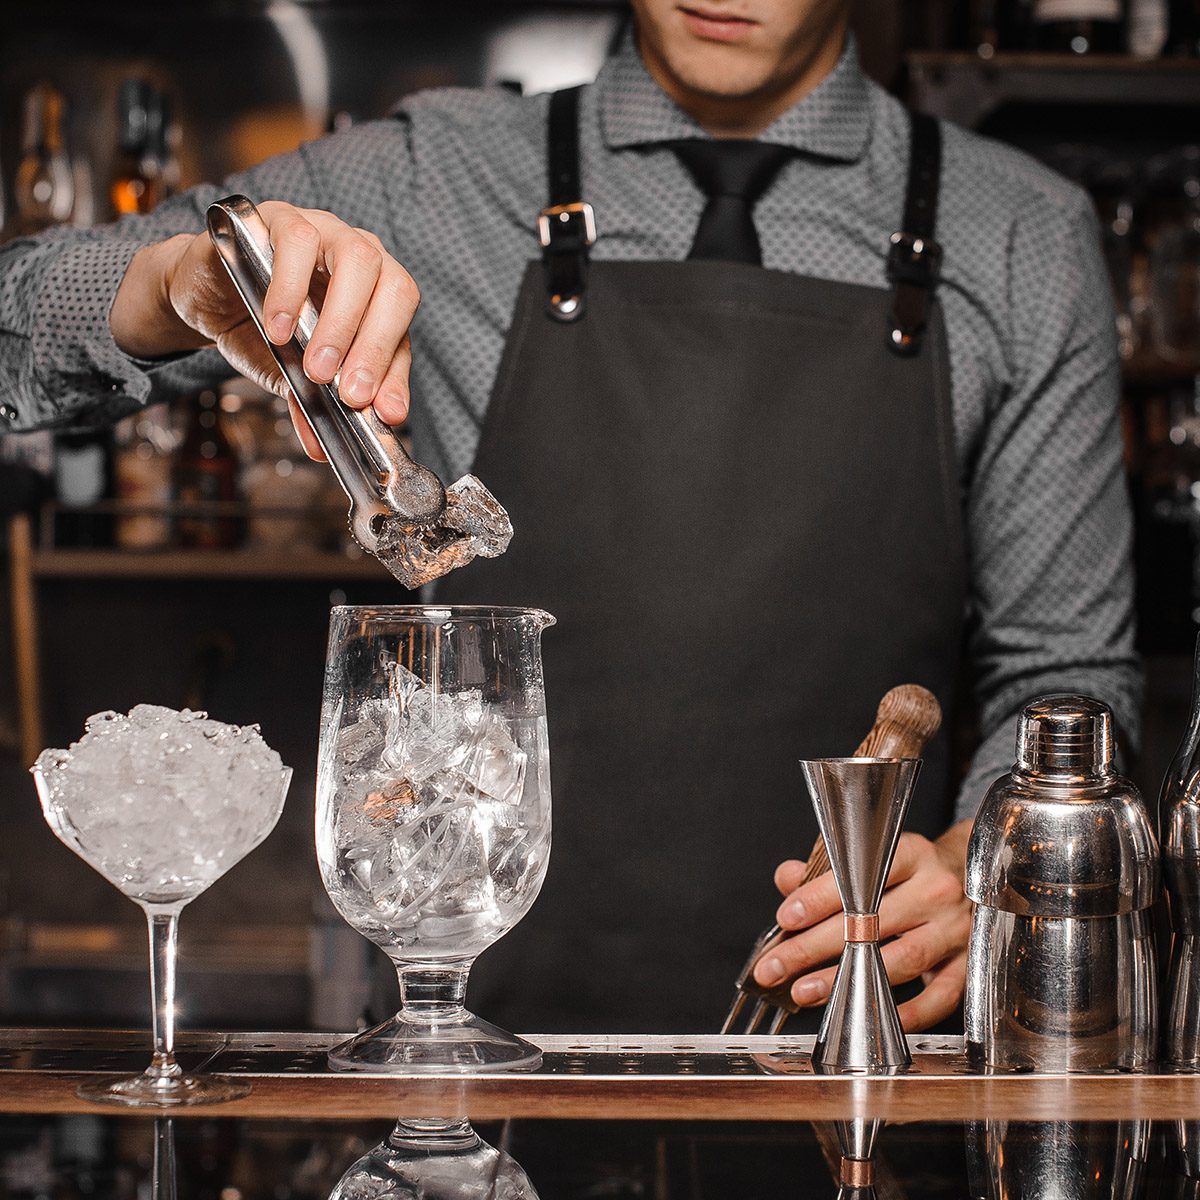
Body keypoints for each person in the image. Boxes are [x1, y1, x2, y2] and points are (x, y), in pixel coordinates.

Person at [0, 0, 1138, 1034]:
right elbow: (16, 327)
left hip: (858, 1056)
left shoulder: (1020, 236)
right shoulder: (433, 173)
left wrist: (985, 868)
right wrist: (174, 284)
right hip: (480, 1057)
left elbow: (1069, 670)